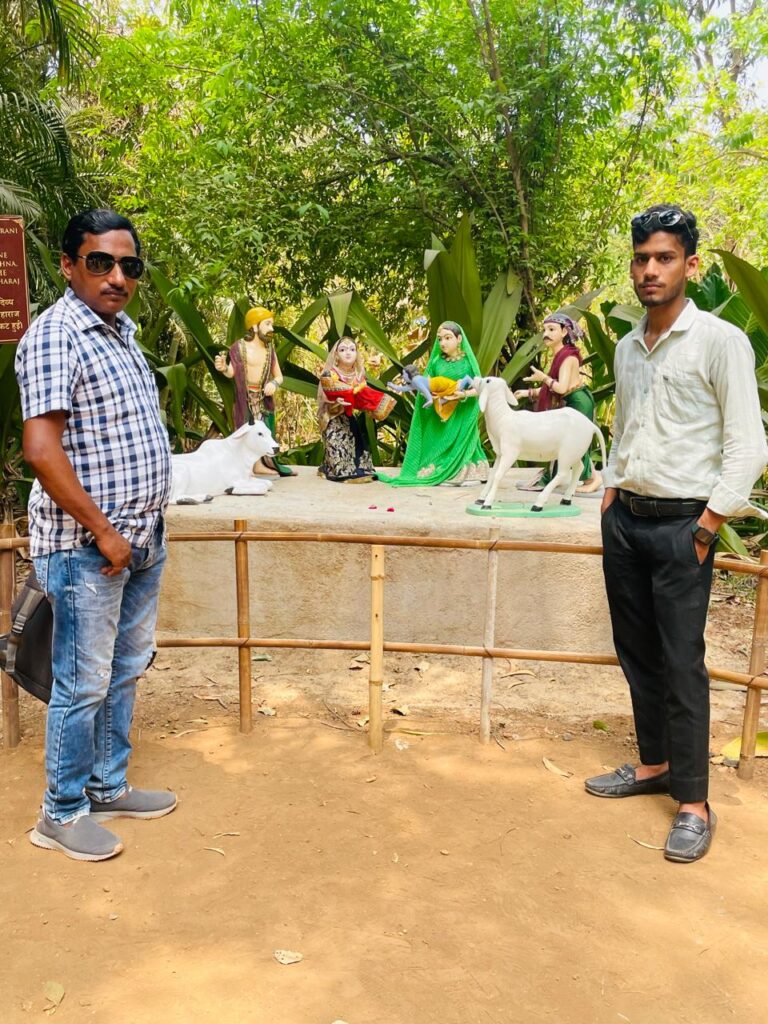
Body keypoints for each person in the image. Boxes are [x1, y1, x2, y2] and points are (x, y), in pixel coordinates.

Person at [585, 204, 768, 863]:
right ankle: (654, 764)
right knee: (637, 652)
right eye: (641, 258)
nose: (650, 269)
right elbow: (628, 427)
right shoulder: (628, 344)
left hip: (685, 526)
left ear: (691, 264)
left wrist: (710, 522)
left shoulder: (721, 342)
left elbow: (749, 445)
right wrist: (610, 491)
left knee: (682, 661)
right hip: (627, 522)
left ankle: (693, 801)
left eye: (664, 258)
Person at [15, 209, 176, 862]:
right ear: (67, 264)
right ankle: (60, 812)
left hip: (140, 540)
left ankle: (107, 785)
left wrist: (139, 530)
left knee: (125, 670)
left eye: (128, 265)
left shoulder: (119, 332)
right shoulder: (58, 335)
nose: (116, 276)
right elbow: (41, 449)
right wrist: (105, 533)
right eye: (99, 262)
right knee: (82, 684)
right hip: (91, 550)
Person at [380, 321, 489, 487]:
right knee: (437, 445)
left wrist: (464, 394)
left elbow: (480, 388)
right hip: (441, 412)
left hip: (461, 413)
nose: (443, 343)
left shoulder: (467, 363)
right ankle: (440, 467)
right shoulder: (437, 361)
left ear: (459, 339)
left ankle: (464, 470)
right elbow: (426, 384)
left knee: (463, 445)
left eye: (448, 338)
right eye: (440, 339)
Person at [515, 313, 602, 493]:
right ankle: (557, 476)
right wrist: (528, 392)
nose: (546, 334)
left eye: (552, 329)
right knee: (567, 441)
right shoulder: (560, 355)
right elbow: (554, 388)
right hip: (572, 400)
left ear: (564, 332)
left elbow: (560, 388)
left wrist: (543, 377)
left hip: (578, 401)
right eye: (545, 330)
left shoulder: (568, 357)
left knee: (577, 442)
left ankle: (594, 479)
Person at [214, 306, 296, 476]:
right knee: (246, 432)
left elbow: (279, 376)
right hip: (244, 399)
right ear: (254, 327)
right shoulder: (239, 348)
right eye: (267, 324)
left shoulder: (269, 351)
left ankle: (259, 464)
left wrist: (274, 383)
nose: (271, 329)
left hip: (262, 398)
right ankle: (248, 465)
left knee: (263, 431)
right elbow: (232, 372)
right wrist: (223, 368)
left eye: (272, 325)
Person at [317, 336, 394, 482]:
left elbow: (362, 396)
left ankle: (356, 469)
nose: (348, 353)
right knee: (337, 447)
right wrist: (336, 401)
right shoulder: (330, 374)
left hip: (348, 416)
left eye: (352, 349)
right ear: (336, 355)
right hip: (332, 416)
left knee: (355, 447)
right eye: (343, 350)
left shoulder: (358, 376)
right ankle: (333, 467)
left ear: (357, 354)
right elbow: (325, 394)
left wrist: (373, 406)